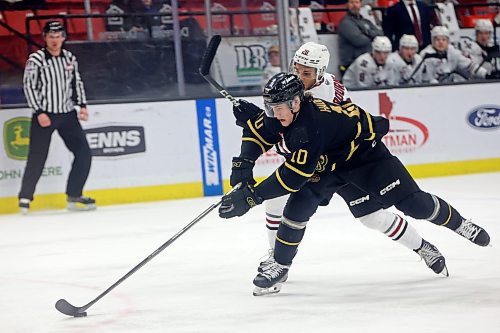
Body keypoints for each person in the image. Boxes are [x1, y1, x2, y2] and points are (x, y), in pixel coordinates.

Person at [220, 73, 490, 295]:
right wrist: (243, 164)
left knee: (414, 204)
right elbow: (257, 130)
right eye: (269, 107)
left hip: (363, 155)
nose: (272, 114)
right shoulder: (285, 111)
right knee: (296, 209)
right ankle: (279, 265)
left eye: (276, 108)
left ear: (295, 103)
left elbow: (292, 177)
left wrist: (251, 197)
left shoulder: (310, 126)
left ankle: (459, 224)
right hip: (329, 163)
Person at [19, 21, 96, 214]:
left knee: (84, 153)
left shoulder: (69, 57)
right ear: (45, 38)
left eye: (58, 36)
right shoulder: (36, 59)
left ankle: (74, 193)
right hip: (45, 114)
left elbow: (76, 83)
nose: (55, 41)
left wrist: (83, 106)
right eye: (51, 37)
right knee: (37, 156)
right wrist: (39, 111)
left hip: (67, 113)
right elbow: (29, 86)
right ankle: (25, 197)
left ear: (63, 38)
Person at [420, 26, 488, 84]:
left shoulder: (453, 52)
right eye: (438, 40)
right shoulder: (426, 55)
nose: (441, 43)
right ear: (433, 41)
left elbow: (470, 66)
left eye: (443, 40)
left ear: (448, 41)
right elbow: (427, 79)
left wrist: (486, 74)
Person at [337, 0, 384, 76]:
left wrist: (367, 33)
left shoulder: (366, 21)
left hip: (367, 64)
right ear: (347, 5)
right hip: (352, 66)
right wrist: (372, 37)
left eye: (356, 2)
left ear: (360, 4)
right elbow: (359, 41)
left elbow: (381, 34)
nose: (354, 5)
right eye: (351, 2)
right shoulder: (345, 22)